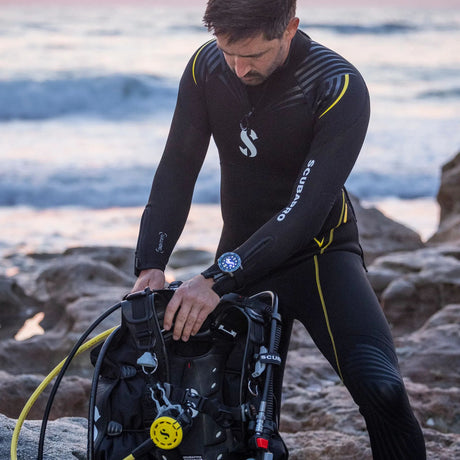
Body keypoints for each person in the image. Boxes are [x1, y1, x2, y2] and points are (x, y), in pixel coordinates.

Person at [132, 0, 426, 458]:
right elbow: (178, 168)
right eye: (228, 51)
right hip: (241, 258)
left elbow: (305, 210)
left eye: (253, 55)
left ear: (290, 28)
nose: (239, 68)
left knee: (383, 391)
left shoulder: (336, 85)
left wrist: (215, 279)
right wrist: (151, 264)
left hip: (319, 256)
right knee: (226, 420)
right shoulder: (206, 67)